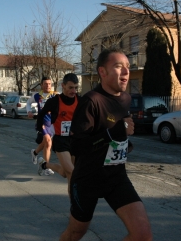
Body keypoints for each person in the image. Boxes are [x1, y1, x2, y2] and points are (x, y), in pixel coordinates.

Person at [60, 49, 152, 241]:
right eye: (118, 67)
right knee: (75, 233)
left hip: (116, 176)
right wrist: (113, 133)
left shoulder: (126, 98)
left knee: (142, 235)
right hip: (87, 179)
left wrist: (124, 142)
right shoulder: (91, 101)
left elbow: (118, 130)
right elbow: (77, 147)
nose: (126, 72)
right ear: (102, 72)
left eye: (127, 67)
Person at [35, 73, 80, 196]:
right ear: (63, 86)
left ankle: (44, 164)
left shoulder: (79, 100)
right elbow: (42, 114)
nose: (73, 91)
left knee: (65, 173)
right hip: (60, 141)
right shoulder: (55, 101)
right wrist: (40, 129)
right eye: (70, 87)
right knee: (72, 171)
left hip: (75, 141)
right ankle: (74, 207)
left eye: (76, 87)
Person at [26, 77, 58, 175]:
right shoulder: (37, 96)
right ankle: (46, 167)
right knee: (48, 143)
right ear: (41, 85)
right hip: (42, 123)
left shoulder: (55, 95)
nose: (48, 85)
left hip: (52, 123)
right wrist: (29, 111)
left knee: (45, 143)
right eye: (45, 84)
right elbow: (28, 102)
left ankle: (35, 152)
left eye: (49, 83)